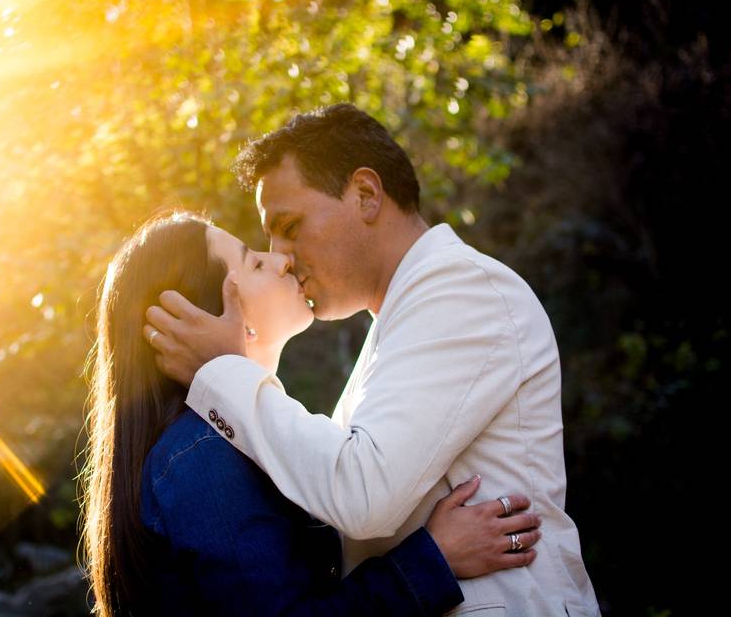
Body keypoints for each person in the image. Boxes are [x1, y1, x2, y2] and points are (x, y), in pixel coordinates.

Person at [144, 105, 602, 616]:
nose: (282, 256)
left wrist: (224, 370)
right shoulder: (394, 325)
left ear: (365, 194)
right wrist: (433, 557)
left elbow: (362, 496)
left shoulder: (463, 291)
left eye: (291, 226)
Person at [82, 211, 544, 616]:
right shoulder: (202, 458)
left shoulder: (231, 443)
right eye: (254, 261)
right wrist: (433, 558)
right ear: (214, 310)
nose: (281, 260)